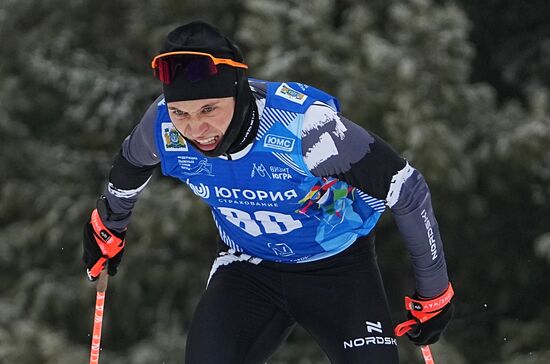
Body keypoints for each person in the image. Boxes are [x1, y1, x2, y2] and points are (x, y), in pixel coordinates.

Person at [82, 21, 454, 364]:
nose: (196, 128)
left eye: (209, 108)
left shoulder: (306, 130)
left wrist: (434, 291)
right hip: (246, 267)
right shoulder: (162, 123)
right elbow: (132, 163)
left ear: (237, 90)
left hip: (339, 268)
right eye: (182, 113)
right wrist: (110, 223)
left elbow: (406, 188)